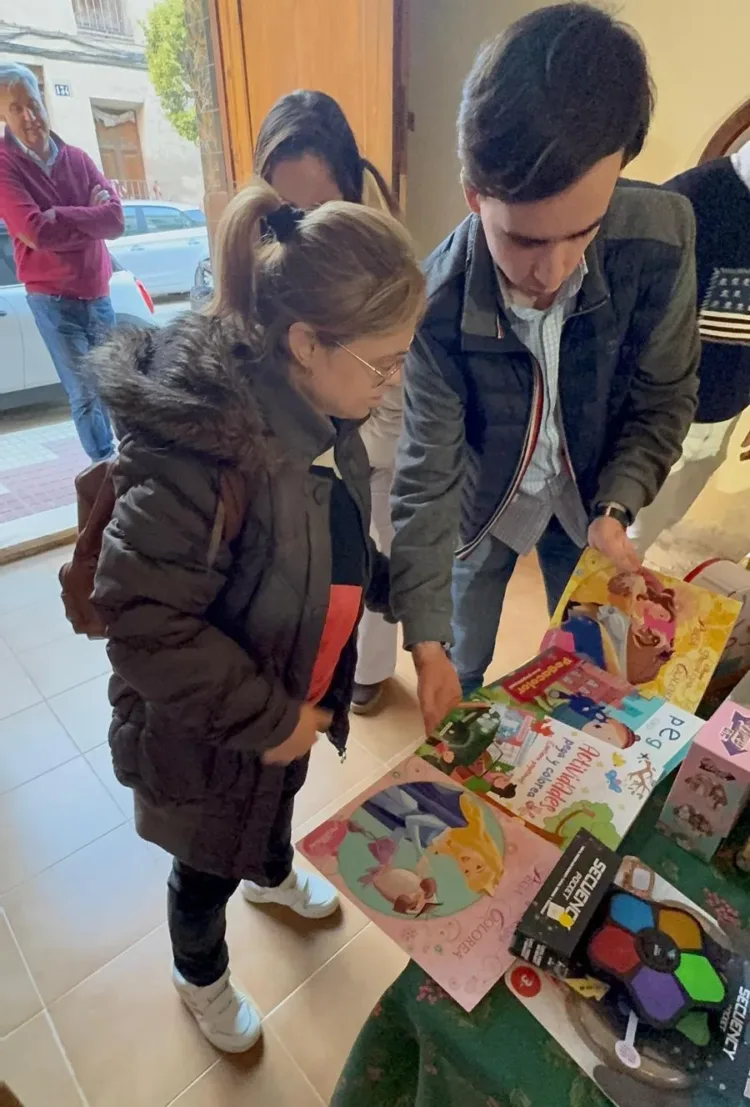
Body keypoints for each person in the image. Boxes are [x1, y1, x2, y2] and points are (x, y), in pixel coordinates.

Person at [89, 180, 424, 1053]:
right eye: (385, 363)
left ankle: (270, 872)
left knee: (273, 809)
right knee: (203, 867)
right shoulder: (201, 449)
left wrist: (388, 586)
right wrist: (268, 717)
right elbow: (141, 620)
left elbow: (333, 534)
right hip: (210, 734)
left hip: (283, 709)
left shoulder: (321, 408)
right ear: (306, 342)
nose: (394, 383)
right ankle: (197, 972)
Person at [389, 3, 700, 732]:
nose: (554, 270)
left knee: (590, 666)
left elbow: (664, 396)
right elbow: (425, 478)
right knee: (459, 655)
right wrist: (424, 643)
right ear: (474, 195)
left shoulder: (661, 240)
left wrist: (618, 504)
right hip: (482, 509)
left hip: (589, 503)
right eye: (524, 238)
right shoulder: (431, 306)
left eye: (583, 232)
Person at [254, 89, 403, 715]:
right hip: (302, 463)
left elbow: (389, 411)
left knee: (364, 553)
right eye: (289, 216)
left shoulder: (384, 278)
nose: (306, 238)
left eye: (323, 212)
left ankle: (362, 667)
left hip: (350, 456)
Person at [629, 139, 750, 554]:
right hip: (660, 411)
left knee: (666, 512)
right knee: (626, 529)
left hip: (725, 407)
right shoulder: (689, 202)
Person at [0, 62, 123, 462]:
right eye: (16, 108)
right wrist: (88, 217)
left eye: (32, 103)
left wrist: (63, 215)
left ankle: (135, 462)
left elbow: (116, 221)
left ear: (43, 100)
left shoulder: (78, 158)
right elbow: (34, 232)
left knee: (116, 381)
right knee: (85, 392)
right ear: (4, 114)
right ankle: (104, 471)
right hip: (53, 300)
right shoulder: (4, 167)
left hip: (97, 290)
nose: (29, 115)